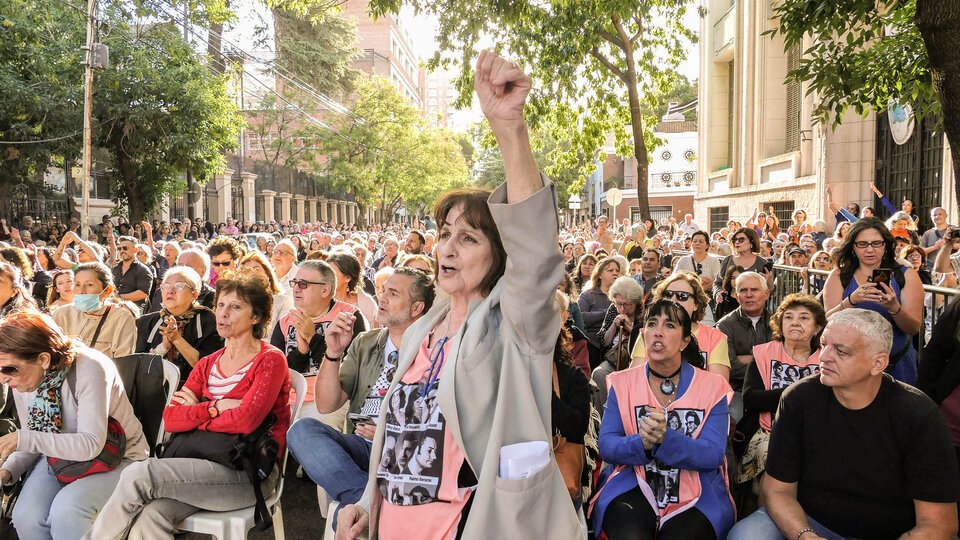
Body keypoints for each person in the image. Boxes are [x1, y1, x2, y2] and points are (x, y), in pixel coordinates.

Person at [335, 51, 580, 540]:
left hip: (472, 522)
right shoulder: (422, 330)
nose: (446, 247)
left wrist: (509, 128)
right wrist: (367, 502)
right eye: (444, 233)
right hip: (394, 525)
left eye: (467, 238)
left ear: (500, 253)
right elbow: (396, 440)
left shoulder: (514, 323)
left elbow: (535, 254)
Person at [87, 268, 292, 539]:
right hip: (199, 465)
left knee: (141, 474)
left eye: (235, 307)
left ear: (255, 317)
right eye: (219, 305)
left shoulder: (270, 359)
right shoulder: (208, 363)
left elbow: (246, 420)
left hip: (247, 471)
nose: (223, 313)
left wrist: (195, 412)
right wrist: (215, 407)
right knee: (151, 516)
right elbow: (171, 418)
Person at [728, 309, 959, 540]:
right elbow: (777, 490)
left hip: (893, 531)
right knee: (748, 535)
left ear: (878, 363)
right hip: (808, 521)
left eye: (841, 351)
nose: (824, 357)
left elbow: (938, 524)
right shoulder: (798, 399)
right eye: (824, 344)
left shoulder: (918, 414)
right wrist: (805, 535)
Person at [287, 268, 434, 528]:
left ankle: (360, 507)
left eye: (393, 293)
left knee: (345, 520)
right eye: (383, 291)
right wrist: (333, 352)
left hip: (403, 451)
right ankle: (363, 500)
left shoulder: (433, 350)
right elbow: (327, 404)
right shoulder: (366, 342)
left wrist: (388, 432)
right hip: (363, 447)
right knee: (301, 431)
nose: (382, 298)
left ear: (417, 308)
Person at [592, 300, 734, 539]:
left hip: (697, 489)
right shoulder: (621, 382)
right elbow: (607, 446)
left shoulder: (713, 386)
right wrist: (643, 443)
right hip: (633, 482)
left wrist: (666, 439)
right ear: (643, 334)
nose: (658, 331)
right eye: (651, 323)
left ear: (685, 341)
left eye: (669, 325)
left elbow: (712, 454)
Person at [0, 312, 149, 539]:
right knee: (26, 517)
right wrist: (6, 471)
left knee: (68, 512)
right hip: (59, 458)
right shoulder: (23, 383)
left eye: (9, 369)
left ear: (43, 359)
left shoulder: (90, 367)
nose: (4, 379)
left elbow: (90, 444)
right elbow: (34, 438)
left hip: (117, 457)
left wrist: (21, 438)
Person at [737, 295, 825, 491]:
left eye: (804, 318)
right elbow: (751, 398)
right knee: (776, 465)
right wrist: (800, 393)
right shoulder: (764, 353)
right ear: (780, 323)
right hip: (769, 431)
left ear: (817, 327)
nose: (794, 322)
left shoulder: (825, 357)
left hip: (815, 432)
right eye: (788, 317)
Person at [823, 217, 923, 385]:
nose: (870, 250)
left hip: (897, 364)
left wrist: (894, 307)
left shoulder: (905, 275)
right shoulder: (840, 276)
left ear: (885, 245)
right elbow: (827, 321)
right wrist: (851, 300)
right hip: (849, 365)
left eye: (876, 243)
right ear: (853, 246)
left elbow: (913, 327)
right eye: (862, 244)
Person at [634, 273, 731, 380]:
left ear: (696, 304)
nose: (673, 300)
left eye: (682, 296)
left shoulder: (714, 338)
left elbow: (718, 387)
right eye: (668, 295)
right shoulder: (648, 333)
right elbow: (635, 380)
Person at [134, 266, 223, 383]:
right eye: (166, 286)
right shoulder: (145, 322)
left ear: (194, 294)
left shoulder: (209, 320)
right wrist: (164, 347)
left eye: (179, 286)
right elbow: (137, 366)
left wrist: (177, 339)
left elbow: (208, 367)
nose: (170, 291)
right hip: (152, 390)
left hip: (194, 390)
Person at [716, 272, 773, 422]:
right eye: (743, 290)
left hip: (772, 389)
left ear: (766, 294)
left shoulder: (777, 323)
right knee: (731, 420)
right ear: (736, 295)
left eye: (754, 290)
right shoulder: (725, 325)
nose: (749, 295)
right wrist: (764, 363)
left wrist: (750, 359)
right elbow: (731, 367)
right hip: (738, 390)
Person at [52, 262, 138, 358]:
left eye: (89, 285)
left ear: (107, 291)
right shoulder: (62, 314)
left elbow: (124, 362)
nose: (81, 291)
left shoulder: (121, 318)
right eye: (77, 284)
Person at [714, 227, 772, 310]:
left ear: (752, 242)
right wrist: (718, 293)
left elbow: (770, 291)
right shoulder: (728, 260)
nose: (737, 242)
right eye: (735, 239)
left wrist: (769, 282)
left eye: (741, 239)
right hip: (728, 306)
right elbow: (717, 283)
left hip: (753, 308)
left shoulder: (762, 263)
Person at [239, 250, 292, 331]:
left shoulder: (284, 301)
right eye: (247, 271)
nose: (252, 274)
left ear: (267, 273)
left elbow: (283, 333)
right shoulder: (237, 302)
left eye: (256, 269)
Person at [327, 252, 378, 329]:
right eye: (325, 273)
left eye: (332, 273)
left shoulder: (366, 303)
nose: (326, 277)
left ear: (348, 277)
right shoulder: (318, 301)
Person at [111, 236, 154, 311]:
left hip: (133, 311)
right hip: (114, 308)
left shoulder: (143, 270)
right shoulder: (114, 268)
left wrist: (119, 297)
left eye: (125, 248)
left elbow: (143, 294)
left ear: (135, 250)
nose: (122, 251)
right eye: (119, 248)